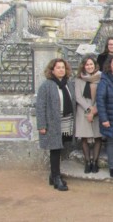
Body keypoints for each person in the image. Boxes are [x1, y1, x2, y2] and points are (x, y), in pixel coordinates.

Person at [36, 58, 75, 191]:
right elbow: (40, 106)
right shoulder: (46, 85)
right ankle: (56, 177)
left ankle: (53, 176)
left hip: (66, 121)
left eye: (63, 67)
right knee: (55, 149)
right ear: (52, 70)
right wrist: (41, 125)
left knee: (60, 147)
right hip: (53, 123)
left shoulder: (68, 84)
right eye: (58, 67)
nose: (61, 70)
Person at [75, 55, 102, 174]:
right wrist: (88, 109)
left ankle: (95, 162)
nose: (89, 66)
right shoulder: (79, 79)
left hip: (97, 110)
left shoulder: (101, 77)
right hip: (83, 110)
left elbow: (101, 95)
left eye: (91, 64)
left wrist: (94, 109)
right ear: (83, 66)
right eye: (87, 65)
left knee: (97, 136)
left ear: (95, 65)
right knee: (84, 137)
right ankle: (87, 161)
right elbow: (78, 97)